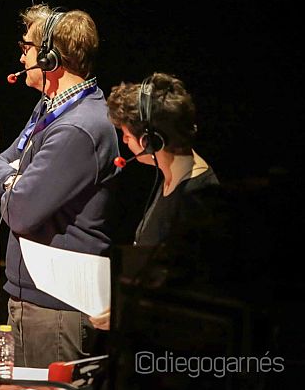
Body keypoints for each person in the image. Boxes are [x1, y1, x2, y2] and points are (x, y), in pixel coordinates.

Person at [0, 4, 119, 367]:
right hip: (36, 299)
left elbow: (20, 211)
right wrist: (11, 179)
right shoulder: (52, 108)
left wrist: (10, 183)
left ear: (49, 58)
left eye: (26, 47)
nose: (21, 54)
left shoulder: (78, 128)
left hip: (55, 307)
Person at [89, 72, 220, 331]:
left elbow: (187, 296)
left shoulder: (196, 199)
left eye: (127, 136)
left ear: (150, 141)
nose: (125, 142)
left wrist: (126, 310)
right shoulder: (171, 177)